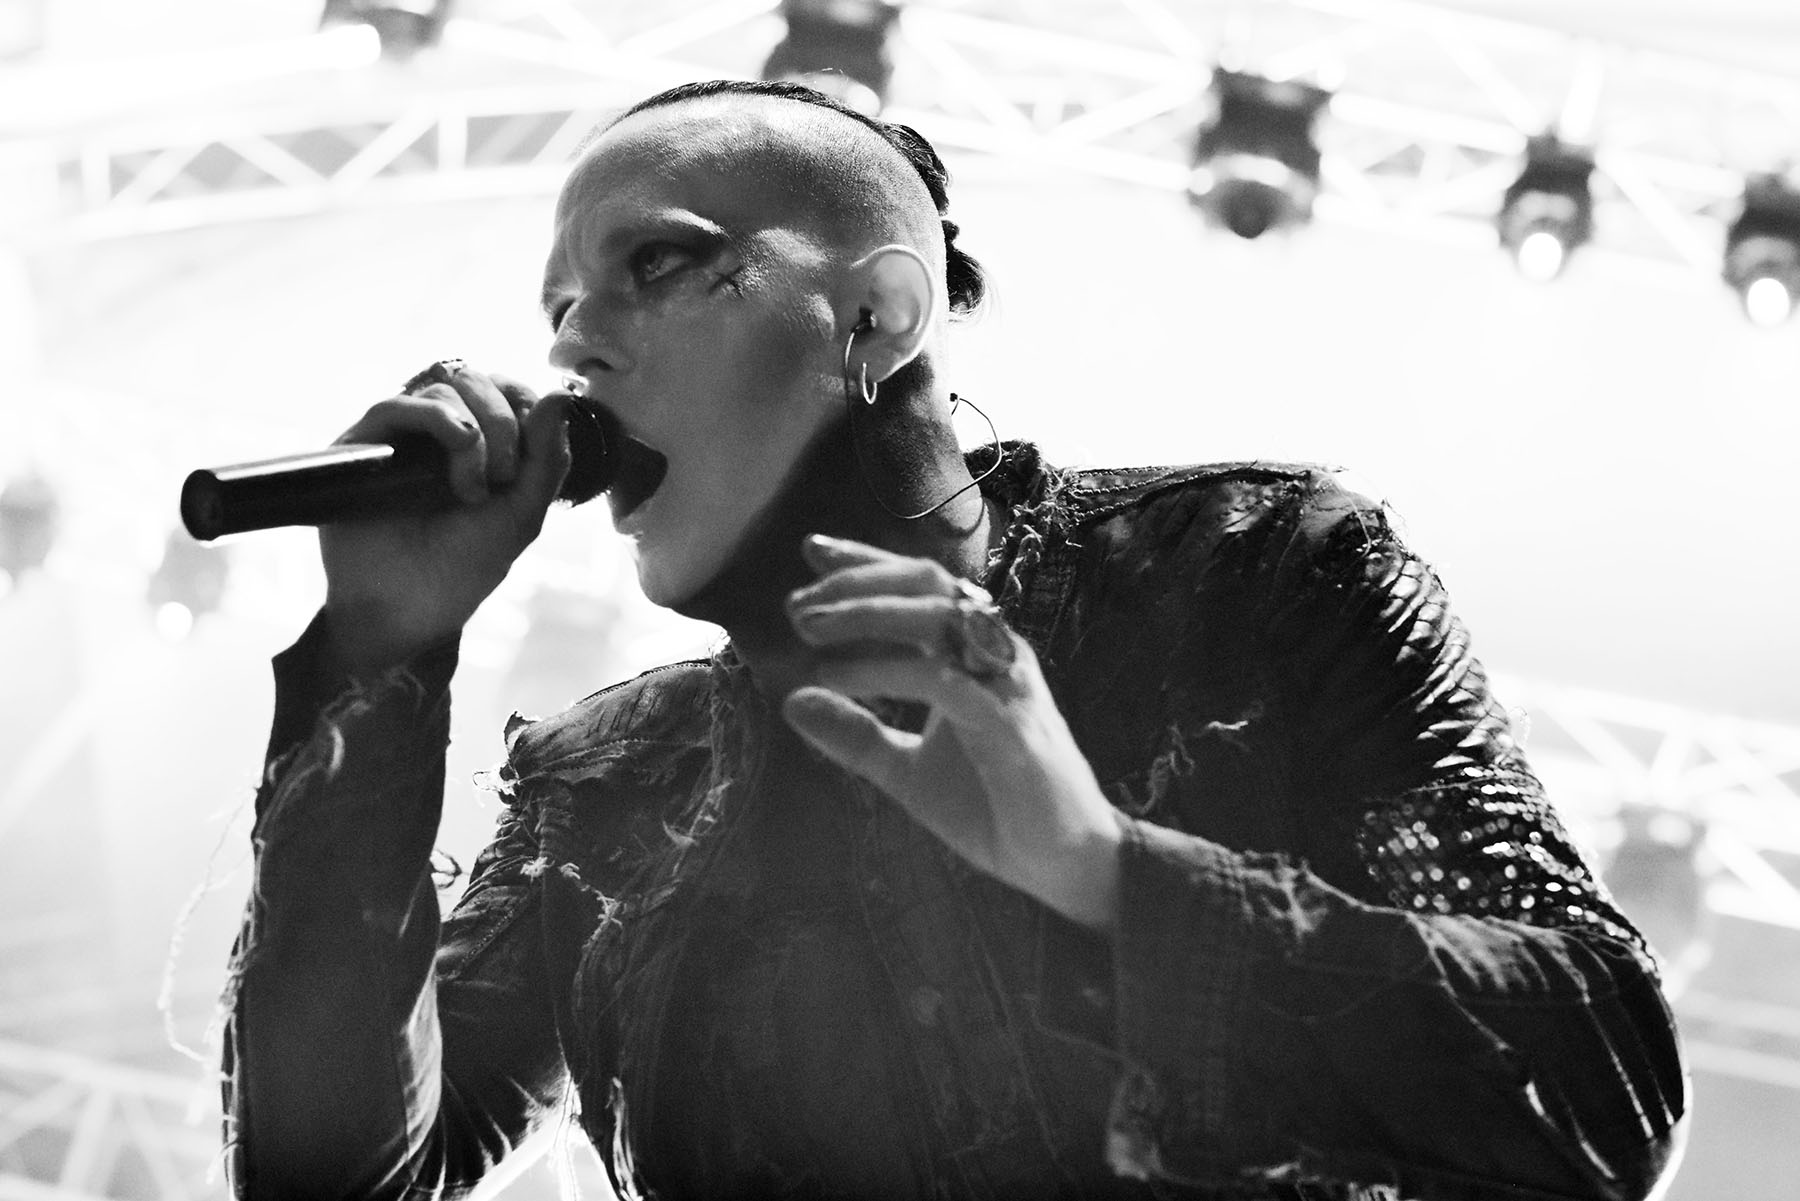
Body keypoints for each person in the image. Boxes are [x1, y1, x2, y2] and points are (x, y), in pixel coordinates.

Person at [220, 78, 1687, 1200]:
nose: (570, 346)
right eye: (558, 308)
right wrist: (381, 662)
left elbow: (1599, 1080)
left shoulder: (1251, 579)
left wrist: (1103, 873)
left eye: (654, 265)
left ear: (878, 310)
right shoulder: (606, 782)